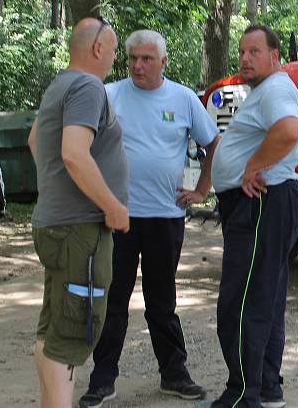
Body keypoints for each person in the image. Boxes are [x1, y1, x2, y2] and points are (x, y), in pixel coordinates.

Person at [78, 30, 219, 407]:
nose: (138, 66)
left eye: (146, 59)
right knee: (113, 301)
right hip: (117, 217)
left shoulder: (184, 98)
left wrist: (202, 190)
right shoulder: (109, 96)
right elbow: (81, 145)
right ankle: (102, 380)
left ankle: (174, 375)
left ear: (163, 62)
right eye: (133, 59)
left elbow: (212, 142)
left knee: (162, 301)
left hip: (165, 216)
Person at [28, 17, 130, 408]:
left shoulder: (61, 83)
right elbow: (73, 153)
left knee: (53, 329)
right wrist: (112, 205)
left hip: (58, 225)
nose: (116, 56)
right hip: (79, 232)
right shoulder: (88, 86)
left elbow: (36, 140)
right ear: (98, 49)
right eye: (116, 48)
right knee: (73, 333)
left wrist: (56, 192)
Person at [205, 25, 298, 408]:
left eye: (255, 51)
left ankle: (243, 395)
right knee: (265, 297)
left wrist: (250, 168)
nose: (245, 58)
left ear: (275, 55)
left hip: (262, 201)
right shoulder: (264, 91)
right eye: (242, 51)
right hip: (263, 203)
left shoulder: (277, 88)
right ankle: (265, 389)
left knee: (241, 302)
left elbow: (288, 130)